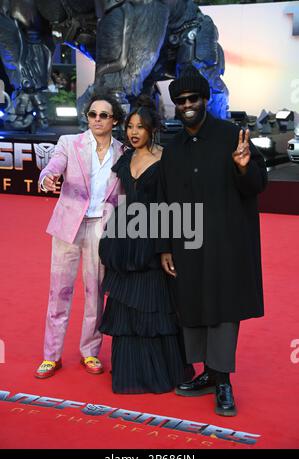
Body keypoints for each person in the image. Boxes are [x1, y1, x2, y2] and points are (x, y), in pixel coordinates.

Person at [157, 64, 267, 416]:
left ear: (205, 99)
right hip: (187, 243)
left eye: (193, 98)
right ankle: (206, 373)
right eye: (181, 100)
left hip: (225, 242)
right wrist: (165, 246)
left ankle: (223, 381)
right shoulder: (172, 149)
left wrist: (243, 166)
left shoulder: (231, 136)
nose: (187, 104)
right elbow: (164, 199)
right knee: (191, 307)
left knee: (222, 310)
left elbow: (256, 186)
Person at [99, 95, 186, 394]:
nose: (134, 132)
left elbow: (172, 203)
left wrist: (166, 245)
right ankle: (130, 371)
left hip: (152, 238)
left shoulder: (165, 159)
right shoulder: (125, 158)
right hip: (124, 237)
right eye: (130, 126)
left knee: (153, 304)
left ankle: (159, 371)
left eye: (140, 127)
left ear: (153, 129)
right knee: (124, 302)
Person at [35, 93, 125, 379]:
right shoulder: (68, 143)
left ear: (114, 120)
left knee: (95, 293)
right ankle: (51, 355)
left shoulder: (123, 151)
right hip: (68, 226)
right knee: (59, 291)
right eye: (92, 114)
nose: (96, 119)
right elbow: (53, 166)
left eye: (103, 115)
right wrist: (47, 177)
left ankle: (90, 351)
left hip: (102, 227)